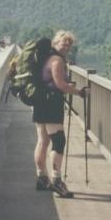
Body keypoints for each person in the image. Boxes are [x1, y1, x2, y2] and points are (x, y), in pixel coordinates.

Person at [33, 30, 87, 198]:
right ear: (55, 43)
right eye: (63, 43)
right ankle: (57, 181)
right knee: (58, 140)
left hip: (40, 100)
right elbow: (60, 85)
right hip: (50, 103)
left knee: (43, 140)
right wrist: (79, 92)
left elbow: (53, 81)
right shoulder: (56, 60)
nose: (66, 46)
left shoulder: (46, 58)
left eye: (69, 44)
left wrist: (64, 83)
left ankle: (42, 178)